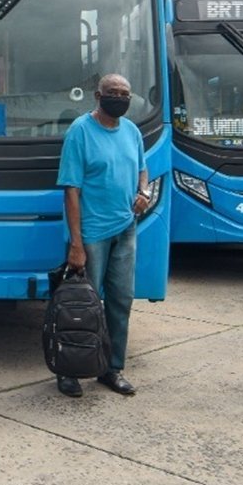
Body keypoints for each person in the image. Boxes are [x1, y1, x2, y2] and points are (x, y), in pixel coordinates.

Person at [55, 72, 149, 399]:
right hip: (92, 234)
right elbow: (71, 190)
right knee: (83, 306)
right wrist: (76, 244)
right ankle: (69, 371)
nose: (120, 97)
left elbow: (141, 168)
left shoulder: (132, 131)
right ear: (98, 95)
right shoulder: (80, 132)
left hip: (125, 228)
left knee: (121, 300)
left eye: (125, 93)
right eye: (113, 92)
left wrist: (144, 192)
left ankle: (112, 368)